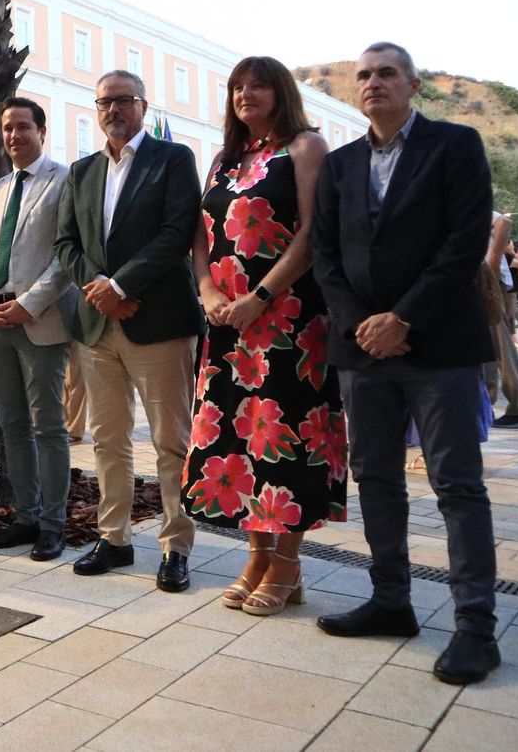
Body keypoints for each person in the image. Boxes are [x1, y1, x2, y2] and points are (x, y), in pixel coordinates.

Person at [311, 42, 499, 686]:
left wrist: (405, 319)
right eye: (362, 75)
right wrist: (362, 324)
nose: (373, 83)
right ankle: (392, 600)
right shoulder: (339, 165)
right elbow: (325, 255)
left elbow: (464, 242)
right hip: (362, 351)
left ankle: (475, 627)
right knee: (376, 479)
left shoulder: (456, 146)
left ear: (413, 84)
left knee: (457, 486)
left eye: (386, 72)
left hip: (439, 345)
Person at [182, 57, 345, 616]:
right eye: (236, 86)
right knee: (237, 438)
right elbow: (200, 237)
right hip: (228, 323)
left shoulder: (305, 148)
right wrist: (208, 293)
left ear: (280, 93)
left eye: (258, 85)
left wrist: (262, 298)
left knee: (286, 436)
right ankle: (256, 554)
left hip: (289, 321)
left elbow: (311, 233)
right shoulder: (226, 159)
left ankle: (287, 563)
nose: (245, 94)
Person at [55, 71, 202, 592]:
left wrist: (122, 284)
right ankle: (114, 538)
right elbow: (66, 243)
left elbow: (176, 233)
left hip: (158, 321)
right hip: (98, 327)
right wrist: (99, 287)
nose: (112, 109)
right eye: (104, 102)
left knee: (171, 441)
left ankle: (174, 546)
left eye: (123, 100)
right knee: (106, 440)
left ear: (143, 104)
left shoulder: (174, 159)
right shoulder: (83, 170)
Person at [0, 98, 76, 560]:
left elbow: (66, 255)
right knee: (13, 425)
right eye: (8, 128)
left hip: (40, 323)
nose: (13, 136)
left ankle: (54, 523)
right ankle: (26, 516)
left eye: (23, 127)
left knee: (48, 426)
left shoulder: (64, 180)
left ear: (42, 132)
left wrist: (28, 305)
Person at [486, 208, 518, 427]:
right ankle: (486, 401)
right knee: (486, 342)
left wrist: (494, 263)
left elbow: (504, 222)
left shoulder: (454, 192)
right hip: (473, 277)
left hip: (481, 277)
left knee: (497, 340)